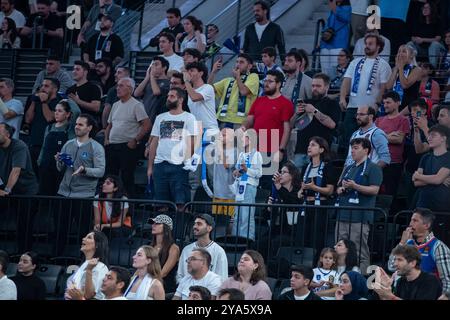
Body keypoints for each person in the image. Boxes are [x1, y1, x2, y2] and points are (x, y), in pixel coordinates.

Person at [55, 114, 105, 256]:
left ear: (89, 128)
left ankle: (82, 260)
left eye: (81, 124)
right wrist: (58, 161)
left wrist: (85, 170)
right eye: (76, 124)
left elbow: (101, 171)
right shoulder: (68, 144)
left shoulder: (96, 147)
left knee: (83, 231)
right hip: (64, 192)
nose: (77, 127)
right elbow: (61, 169)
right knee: (59, 229)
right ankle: (57, 257)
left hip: (84, 195)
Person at [336, 138, 383, 273]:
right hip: (343, 214)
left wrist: (355, 186)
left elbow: (375, 190)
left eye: (356, 148)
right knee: (340, 249)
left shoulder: (374, 168)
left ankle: (361, 279)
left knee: (358, 250)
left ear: (366, 150)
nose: (352, 151)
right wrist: (341, 189)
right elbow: (339, 187)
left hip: (360, 217)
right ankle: (341, 278)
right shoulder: (349, 167)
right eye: (352, 148)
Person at [241, 70, 294, 189]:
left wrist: (281, 150)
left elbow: (287, 129)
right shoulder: (259, 100)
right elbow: (250, 119)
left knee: (268, 185)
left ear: (279, 84)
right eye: (265, 80)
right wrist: (243, 127)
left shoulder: (286, 103)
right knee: (252, 182)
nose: (266, 84)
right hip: (255, 150)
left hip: (272, 150)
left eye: (270, 81)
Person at [146, 88, 197, 211]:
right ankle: (163, 230)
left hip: (179, 165)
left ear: (180, 99)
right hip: (160, 165)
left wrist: (186, 162)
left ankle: (179, 230)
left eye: (172, 96)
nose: (168, 98)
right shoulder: (160, 117)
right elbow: (154, 143)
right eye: (168, 96)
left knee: (181, 203)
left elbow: (193, 142)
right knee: (160, 204)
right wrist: (150, 167)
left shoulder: (189, 117)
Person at [340, 33, 392, 147]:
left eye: (370, 44)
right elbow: (347, 80)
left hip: (369, 109)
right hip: (352, 107)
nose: (367, 46)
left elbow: (384, 87)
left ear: (378, 46)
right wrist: (342, 97)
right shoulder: (355, 62)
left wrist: (377, 105)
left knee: (365, 142)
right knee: (347, 139)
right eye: (366, 44)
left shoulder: (383, 65)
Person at [388, 208, 450, 298]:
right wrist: (402, 242)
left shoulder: (438, 247)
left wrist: (445, 297)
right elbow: (391, 267)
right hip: (406, 292)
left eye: (415, 221)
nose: (410, 224)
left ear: (426, 225)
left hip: (428, 293)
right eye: (411, 220)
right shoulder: (407, 244)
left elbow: (448, 280)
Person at [104, 77, 150, 196]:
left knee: (126, 176)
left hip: (127, 146)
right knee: (110, 175)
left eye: (121, 86)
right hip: (112, 146)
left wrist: (136, 140)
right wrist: (106, 139)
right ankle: (110, 202)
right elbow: (110, 125)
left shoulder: (136, 105)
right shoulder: (115, 104)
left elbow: (146, 124)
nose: (117, 88)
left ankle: (128, 205)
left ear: (130, 89)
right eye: (117, 85)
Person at [0, 123, 38, 253]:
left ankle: (24, 256)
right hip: (8, 188)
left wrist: (6, 190)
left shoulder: (19, 146)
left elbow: (16, 170)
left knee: (24, 225)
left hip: (26, 191)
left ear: (7, 134)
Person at [290, 73, 341, 171]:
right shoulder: (305, 102)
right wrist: (296, 113)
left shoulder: (332, 104)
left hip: (320, 152)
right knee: (296, 181)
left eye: (318, 86)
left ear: (326, 87)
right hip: (300, 149)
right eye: (313, 86)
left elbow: (332, 124)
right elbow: (291, 125)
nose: (314, 88)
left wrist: (314, 111)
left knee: (314, 181)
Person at [297, 137, 336, 249]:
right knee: (303, 236)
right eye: (309, 145)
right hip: (305, 206)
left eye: (313, 145)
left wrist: (314, 188)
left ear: (321, 150)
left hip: (320, 207)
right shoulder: (305, 167)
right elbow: (302, 186)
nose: (309, 147)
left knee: (316, 238)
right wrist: (300, 191)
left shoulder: (328, 167)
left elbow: (330, 190)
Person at [208, 53, 260, 129]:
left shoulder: (253, 77)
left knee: (237, 141)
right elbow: (208, 90)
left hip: (240, 123)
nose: (238, 64)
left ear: (249, 66)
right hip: (222, 120)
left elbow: (243, 91)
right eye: (237, 62)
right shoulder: (227, 80)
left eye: (241, 62)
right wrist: (213, 72)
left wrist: (237, 77)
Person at [375, 245, 442, 300]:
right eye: (395, 260)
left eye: (399, 260)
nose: (395, 264)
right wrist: (384, 290)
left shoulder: (430, 280)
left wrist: (391, 296)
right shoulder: (400, 281)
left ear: (413, 263)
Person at [375, 91, 410, 196]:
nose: (385, 105)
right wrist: (389, 136)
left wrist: (381, 136)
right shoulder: (378, 120)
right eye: (384, 103)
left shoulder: (403, 120)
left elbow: (398, 140)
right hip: (377, 161)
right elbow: (372, 138)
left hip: (393, 163)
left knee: (389, 194)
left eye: (388, 102)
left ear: (398, 103)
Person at [37, 99, 74, 196]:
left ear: (68, 114)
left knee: (58, 193)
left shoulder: (70, 128)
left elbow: (77, 111)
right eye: (55, 110)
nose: (56, 113)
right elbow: (44, 146)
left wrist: (68, 100)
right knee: (44, 193)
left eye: (60, 111)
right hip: (46, 164)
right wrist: (40, 161)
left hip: (60, 167)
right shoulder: (49, 127)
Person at [177, 214, 228, 283]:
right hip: (187, 291)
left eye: (199, 224)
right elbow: (180, 275)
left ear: (209, 228)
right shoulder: (187, 249)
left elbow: (222, 279)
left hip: (209, 292)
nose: (194, 226)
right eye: (194, 224)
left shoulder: (219, 251)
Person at [25, 77, 61, 173]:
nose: (42, 88)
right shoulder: (38, 101)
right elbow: (28, 119)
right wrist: (34, 100)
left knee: (44, 173)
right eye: (42, 85)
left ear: (55, 89)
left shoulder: (59, 102)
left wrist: (44, 102)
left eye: (46, 86)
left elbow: (49, 118)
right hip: (34, 142)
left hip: (48, 144)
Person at [231, 131, 262, 241]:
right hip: (240, 187)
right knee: (237, 215)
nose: (241, 140)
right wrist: (236, 172)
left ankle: (247, 240)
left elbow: (259, 173)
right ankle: (235, 239)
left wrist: (246, 170)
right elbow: (238, 170)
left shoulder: (257, 154)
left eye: (244, 138)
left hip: (249, 187)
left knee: (247, 216)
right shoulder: (241, 154)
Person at [413, 125, 450, 212]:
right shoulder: (425, 157)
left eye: (433, 135)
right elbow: (416, 183)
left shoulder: (448, 157)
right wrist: (439, 181)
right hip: (422, 204)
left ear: (443, 138)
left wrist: (418, 176)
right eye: (429, 135)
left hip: (441, 205)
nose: (429, 138)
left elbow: (437, 179)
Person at [65, 231, 109, 300]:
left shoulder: (101, 267)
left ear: (97, 245)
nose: (83, 238)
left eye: (89, 237)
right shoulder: (82, 265)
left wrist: (89, 270)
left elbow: (89, 295)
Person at [319, 0, 351, 77]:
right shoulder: (332, 11)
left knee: (336, 70)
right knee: (325, 70)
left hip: (339, 43)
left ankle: (334, 87)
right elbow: (327, 25)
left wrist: (334, 7)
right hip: (326, 44)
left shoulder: (347, 8)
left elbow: (345, 18)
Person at [408, 1, 445, 68]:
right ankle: (412, 67)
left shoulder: (438, 21)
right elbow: (412, 37)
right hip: (421, 49)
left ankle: (432, 69)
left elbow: (438, 38)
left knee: (434, 44)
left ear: (432, 10)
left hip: (435, 48)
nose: (424, 9)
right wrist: (416, 39)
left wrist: (423, 40)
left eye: (427, 8)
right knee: (410, 44)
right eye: (423, 8)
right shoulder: (419, 21)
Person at [134, 56, 170, 124]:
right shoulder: (149, 81)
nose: (153, 67)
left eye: (156, 64)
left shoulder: (168, 82)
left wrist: (152, 76)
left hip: (155, 117)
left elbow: (156, 92)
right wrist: (147, 77)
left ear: (164, 68)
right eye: (152, 65)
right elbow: (136, 93)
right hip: (143, 117)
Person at [149, 214, 180, 293]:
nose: (153, 225)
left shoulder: (173, 248)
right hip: (149, 282)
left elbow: (164, 273)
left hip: (164, 287)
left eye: (157, 223)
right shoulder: (150, 246)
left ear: (166, 227)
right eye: (153, 223)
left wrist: (146, 282)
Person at [385, 45, 421, 110]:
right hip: (394, 106)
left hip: (409, 107)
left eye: (404, 51)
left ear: (411, 55)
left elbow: (404, 85)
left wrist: (401, 67)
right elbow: (388, 87)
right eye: (399, 51)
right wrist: (396, 68)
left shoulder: (417, 69)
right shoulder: (395, 69)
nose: (400, 54)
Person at [184, 61, 218, 131]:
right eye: (187, 71)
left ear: (200, 73)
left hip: (210, 129)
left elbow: (195, 97)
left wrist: (186, 81)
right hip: (197, 130)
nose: (188, 73)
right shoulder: (190, 90)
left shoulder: (208, 87)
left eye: (192, 70)